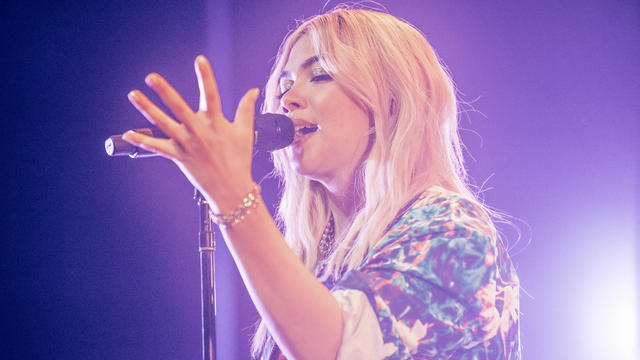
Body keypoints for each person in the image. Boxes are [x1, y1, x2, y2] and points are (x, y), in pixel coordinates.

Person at [122, 6, 520, 360]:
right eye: (284, 84)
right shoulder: (318, 260)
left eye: (320, 75)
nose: (287, 98)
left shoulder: (456, 232)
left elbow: (339, 348)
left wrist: (231, 193)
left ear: (392, 103)